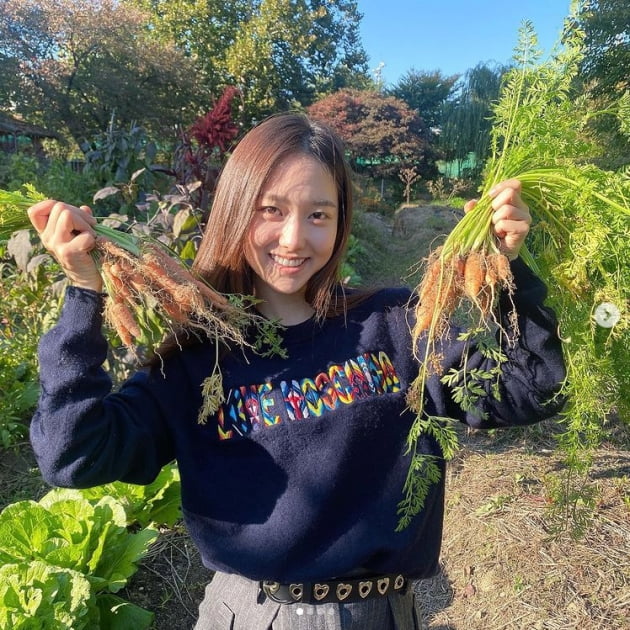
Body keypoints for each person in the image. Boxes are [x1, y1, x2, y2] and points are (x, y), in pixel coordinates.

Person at [27, 113, 565, 630]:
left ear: (340, 222)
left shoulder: (396, 327)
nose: (293, 239)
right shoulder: (196, 360)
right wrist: (83, 294)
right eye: (271, 210)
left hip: (378, 615)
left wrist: (504, 269)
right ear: (237, 211)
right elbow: (74, 454)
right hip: (255, 615)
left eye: (318, 215)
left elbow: (533, 386)